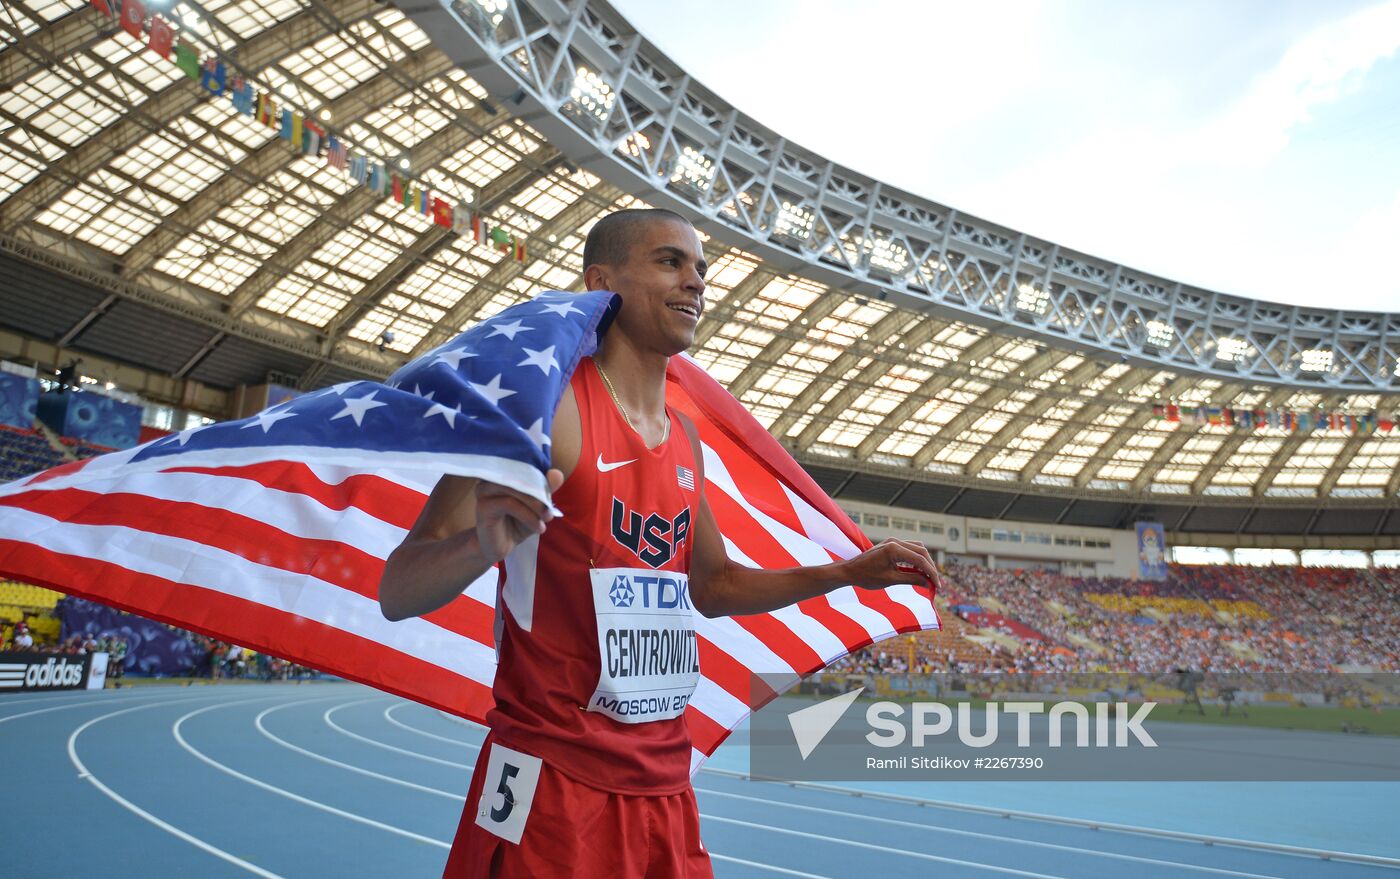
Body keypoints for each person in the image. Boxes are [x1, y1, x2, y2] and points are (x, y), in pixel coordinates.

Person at [379, 208, 939, 878]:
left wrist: (846, 572)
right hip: (552, 785)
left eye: (700, 268)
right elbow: (398, 589)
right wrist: (481, 544)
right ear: (602, 282)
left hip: (664, 789)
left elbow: (714, 586)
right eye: (670, 261)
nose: (695, 281)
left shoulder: (685, 440)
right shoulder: (539, 413)